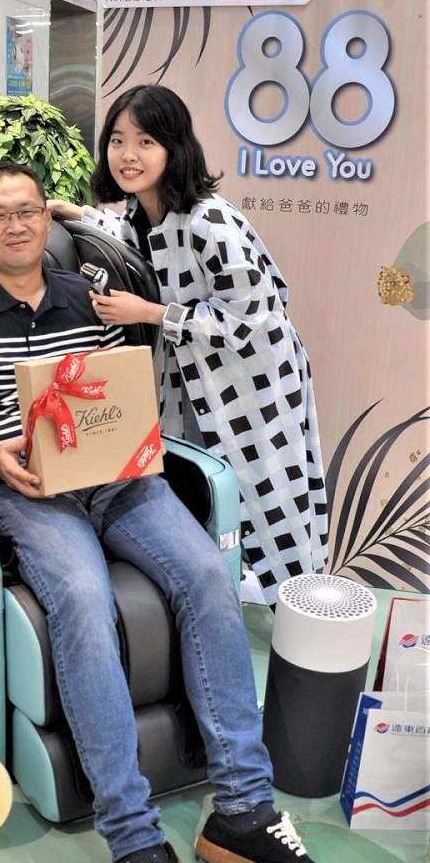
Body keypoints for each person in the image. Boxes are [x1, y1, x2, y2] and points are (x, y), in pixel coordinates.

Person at [0, 161, 348, 863]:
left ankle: (245, 810)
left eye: (27, 209)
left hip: (117, 480)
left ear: (47, 220)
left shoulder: (89, 296)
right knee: (81, 599)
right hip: (27, 490)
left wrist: (132, 444)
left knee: (208, 575)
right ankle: (138, 844)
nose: (15, 224)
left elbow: (122, 400)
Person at [49, 85, 328, 607]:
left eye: (146, 141)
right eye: (117, 140)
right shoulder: (140, 212)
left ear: (174, 148)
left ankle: (299, 611)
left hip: (254, 384)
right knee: (207, 485)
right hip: (199, 383)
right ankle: (230, 588)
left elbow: (254, 319)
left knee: (272, 497)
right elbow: (128, 238)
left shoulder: (209, 221)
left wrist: (150, 313)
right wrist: (79, 214)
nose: (128, 155)